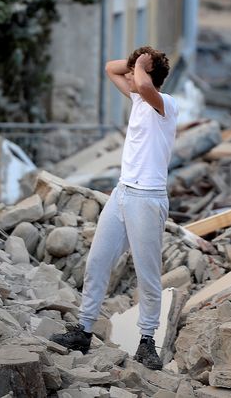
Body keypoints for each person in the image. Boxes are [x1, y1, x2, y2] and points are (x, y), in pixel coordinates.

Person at [50, 46, 179, 370]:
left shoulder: (166, 105)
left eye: (135, 72)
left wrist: (143, 67)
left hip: (147, 199)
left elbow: (145, 85)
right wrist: (139, 61)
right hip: (122, 194)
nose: (130, 76)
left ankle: (147, 342)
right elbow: (111, 67)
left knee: (147, 274)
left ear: (148, 75)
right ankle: (84, 330)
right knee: (97, 261)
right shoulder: (138, 99)